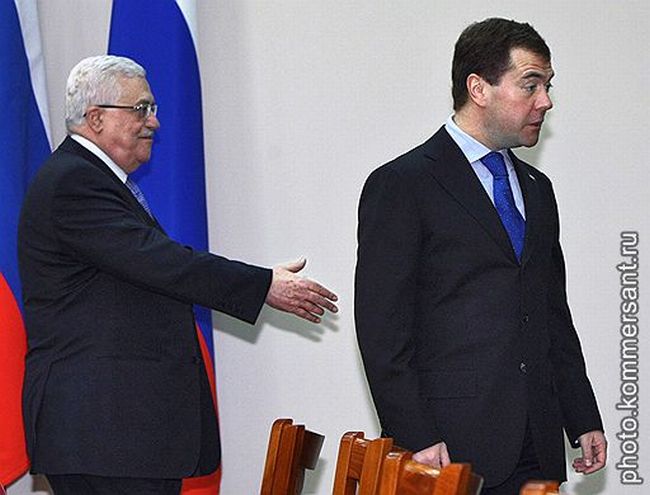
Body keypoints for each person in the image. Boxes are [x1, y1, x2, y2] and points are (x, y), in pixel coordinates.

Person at [17, 55, 338, 495]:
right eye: (141, 109)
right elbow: (161, 262)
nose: (154, 122)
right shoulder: (74, 181)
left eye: (152, 109)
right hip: (104, 433)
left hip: (118, 436)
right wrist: (262, 285)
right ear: (96, 118)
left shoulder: (91, 180)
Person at [355, 18, 606, 494]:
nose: (545, 101)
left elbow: (551, 313)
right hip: (449, 447)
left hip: (539, 442)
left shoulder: (537, 188)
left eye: (548, 86)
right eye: (530, 85)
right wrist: (416, 437)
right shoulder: (403, 184)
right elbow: (382, 331)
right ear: (478, 88)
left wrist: (581, 416)